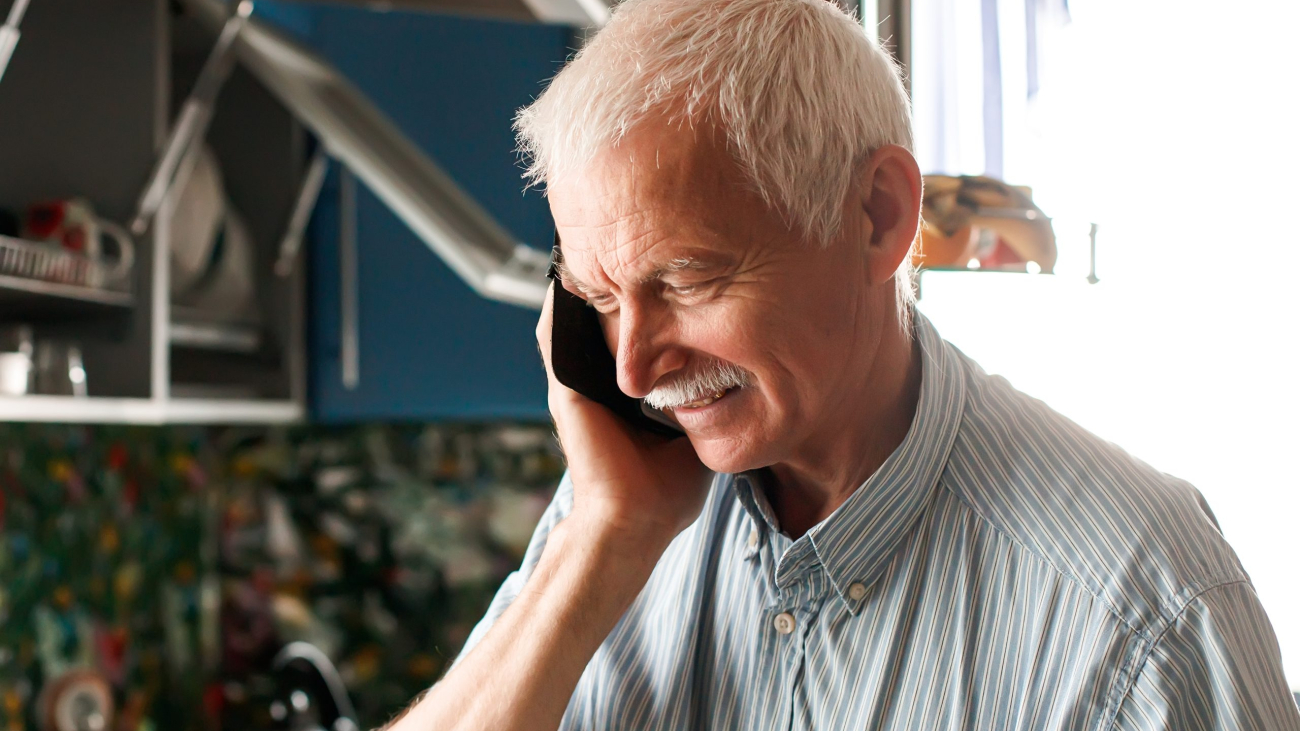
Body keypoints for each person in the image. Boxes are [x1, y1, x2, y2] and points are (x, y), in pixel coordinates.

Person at [384, 0, 1300, 729]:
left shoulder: (1140, 603)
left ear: (878, 216)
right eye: (605, 298)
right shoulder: (620, 496)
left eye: (689, 278)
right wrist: (604, 537)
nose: (631, 369)